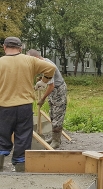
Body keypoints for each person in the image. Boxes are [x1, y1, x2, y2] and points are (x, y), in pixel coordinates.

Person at [0, 37, 56, 172]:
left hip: (4, 107)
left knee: (1, 136)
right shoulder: (29, 60)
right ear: (20, 48)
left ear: (4, 47)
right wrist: (44, 81)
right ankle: (20, 169)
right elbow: (51, 67)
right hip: (24, 106)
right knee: (23, 136)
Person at [27, 49, 67, 149]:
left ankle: (56, 141)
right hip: (53, 91)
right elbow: (47, 80)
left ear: (35, 58)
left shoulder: (47, 65)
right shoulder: (42, 63)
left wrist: (43, 99)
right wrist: (41, 80)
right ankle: (54, 138)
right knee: (52, 114)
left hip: (58, 90)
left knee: (57, 115)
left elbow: (51, 85)